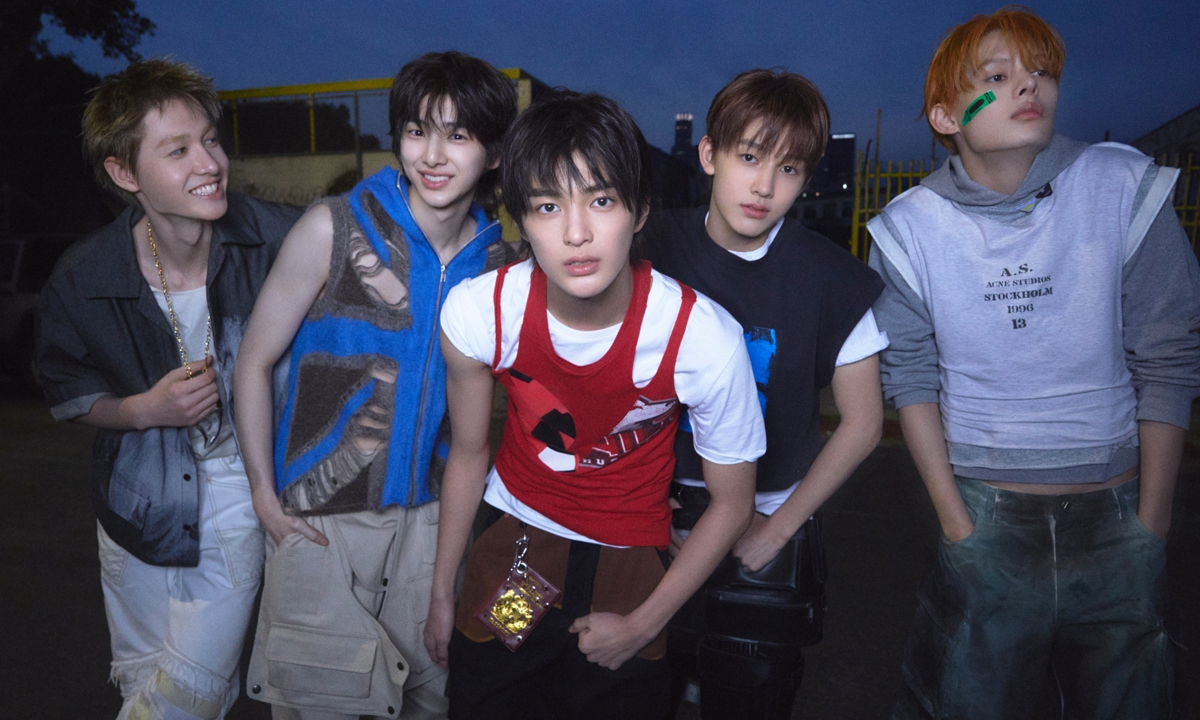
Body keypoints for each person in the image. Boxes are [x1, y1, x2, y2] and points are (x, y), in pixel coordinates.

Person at [867, 8, 1200, 719]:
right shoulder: (907, 227)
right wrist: (956, 525)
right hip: (985, 513)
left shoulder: (1123, 186)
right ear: (946, 115)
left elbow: (1168, 353)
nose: (1029, 86)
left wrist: (1152, 524)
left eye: (1042, 72)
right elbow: (910, 378)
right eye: (996, 76)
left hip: (1118, 511)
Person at [423, 90, 764, 720]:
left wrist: (643, 623)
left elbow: (734, 503)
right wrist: (443, 592)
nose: (576, 233)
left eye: (601, 200)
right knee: (490, 698)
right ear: (521, 220)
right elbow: (469, 454)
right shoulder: (481, 312)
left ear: (639, 210)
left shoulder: (699, 337)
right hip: (522, 555)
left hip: (629, 569)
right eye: (548, 206)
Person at [232, 51, 516, 719]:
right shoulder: (332, 228)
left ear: (495, 152)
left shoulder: (499, 265)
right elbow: (253, 362)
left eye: (458, 134)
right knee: (319, 704)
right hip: (323, 520)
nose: (433, 155)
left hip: (433, 526)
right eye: (417, 131)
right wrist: (264, 495)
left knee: (429, 699)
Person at [35, 59, 301, 720]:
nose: (210, 162)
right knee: (142, 682)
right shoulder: (84, 275)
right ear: (125, 173)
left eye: (209, 139)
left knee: (186, 695)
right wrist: (141, 410)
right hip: (135, 497)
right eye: (177, 150)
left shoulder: (281, 239)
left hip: (240, 489)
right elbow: (65, 386)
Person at [641, 69, 887, 719]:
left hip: (765, 517)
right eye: (749, 157)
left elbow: (863, 423)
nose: (764, 186)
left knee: (748, 691)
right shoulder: (650, 245)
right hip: (654, 513)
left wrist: (777, 530)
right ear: (709, 154)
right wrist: (637, 498)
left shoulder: (831, 277)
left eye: (789, 169)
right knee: (635, 685)